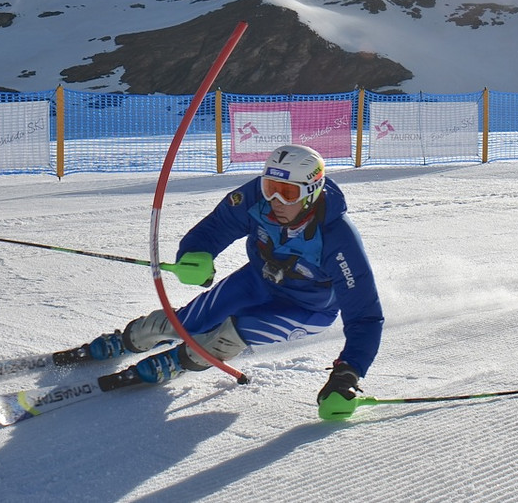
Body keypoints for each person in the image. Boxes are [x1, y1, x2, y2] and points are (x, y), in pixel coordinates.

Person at [62, 143, 384, 411]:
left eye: (288, 192)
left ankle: (181, 359)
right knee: (189, 321)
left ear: (312, 192)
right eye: (271, 188)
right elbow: (215, 228)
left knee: (233, 332)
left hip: (308, 308)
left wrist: (347, 373)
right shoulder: (255, 200)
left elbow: (365, 316)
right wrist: (196, 256)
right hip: (258, 280)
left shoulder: (338, 239)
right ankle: (131, 337)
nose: (276, 201)